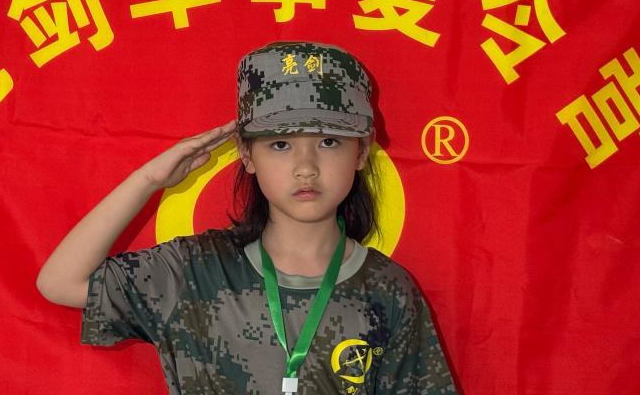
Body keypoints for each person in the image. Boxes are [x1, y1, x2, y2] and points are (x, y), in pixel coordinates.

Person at [36, 41, 457, 394]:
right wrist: (148, 180)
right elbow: (60, 283)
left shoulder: (387, 290)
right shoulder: (195, 272)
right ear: (246, 154)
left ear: (361, 151)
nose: (305, 167)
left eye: (329, 141)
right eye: (280, 145)